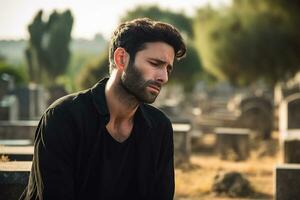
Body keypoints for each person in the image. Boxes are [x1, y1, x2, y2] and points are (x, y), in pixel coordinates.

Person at [20, 18, 186, 200]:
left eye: (168, 69)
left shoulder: (159, 127)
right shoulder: (63, 118)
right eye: (155, 64)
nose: (163, 77)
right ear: (121, 58)